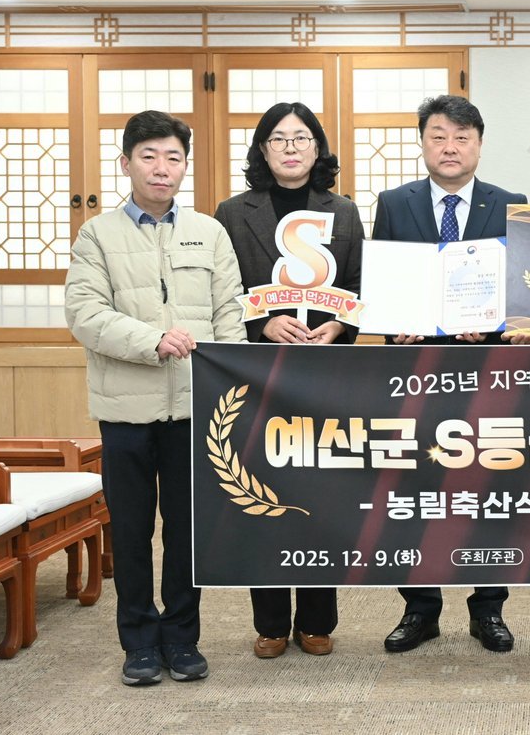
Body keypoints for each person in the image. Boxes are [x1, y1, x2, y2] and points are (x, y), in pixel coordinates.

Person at [65, 110, 246, 686]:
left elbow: (230, 313)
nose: (161, 168)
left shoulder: (209, 232)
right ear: (126, 164)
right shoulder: (97, 235)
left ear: (185, 167)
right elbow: (85, 313)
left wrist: (229, 384)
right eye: (149, 156)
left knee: (188, 532)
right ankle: (139, 643)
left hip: (194, 410)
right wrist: (152, 341)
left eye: (173, 158)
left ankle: (183, 638)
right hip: (125, 412)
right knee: (132, 530)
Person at [371, 94, 528, 654]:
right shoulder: (394, 202)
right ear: (423, 143)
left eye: (462, 137)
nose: (450, 147)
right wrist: (394, 327)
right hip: (416, 372)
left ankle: (489, 609)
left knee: (489, 491)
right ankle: (420, 608)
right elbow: (383, 281)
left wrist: (496, 327)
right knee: (417, 491)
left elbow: (523, 288)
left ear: (479, 145)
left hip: (488, 372)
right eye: (438, 136)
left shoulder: (511, 203)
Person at [214, 101, 363, 659]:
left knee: (322, 498)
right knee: (264, 496)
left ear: (318, 148)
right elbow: (222, 290)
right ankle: (272, 622)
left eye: (302, 137)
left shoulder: (343, 211)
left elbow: (359, 284)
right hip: (258, 376)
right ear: (263, 148)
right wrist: (261, 323)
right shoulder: (233, 212)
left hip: (325, 376)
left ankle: (318, 620)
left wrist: (338, 326)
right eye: (279, 138)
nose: (291, 147)